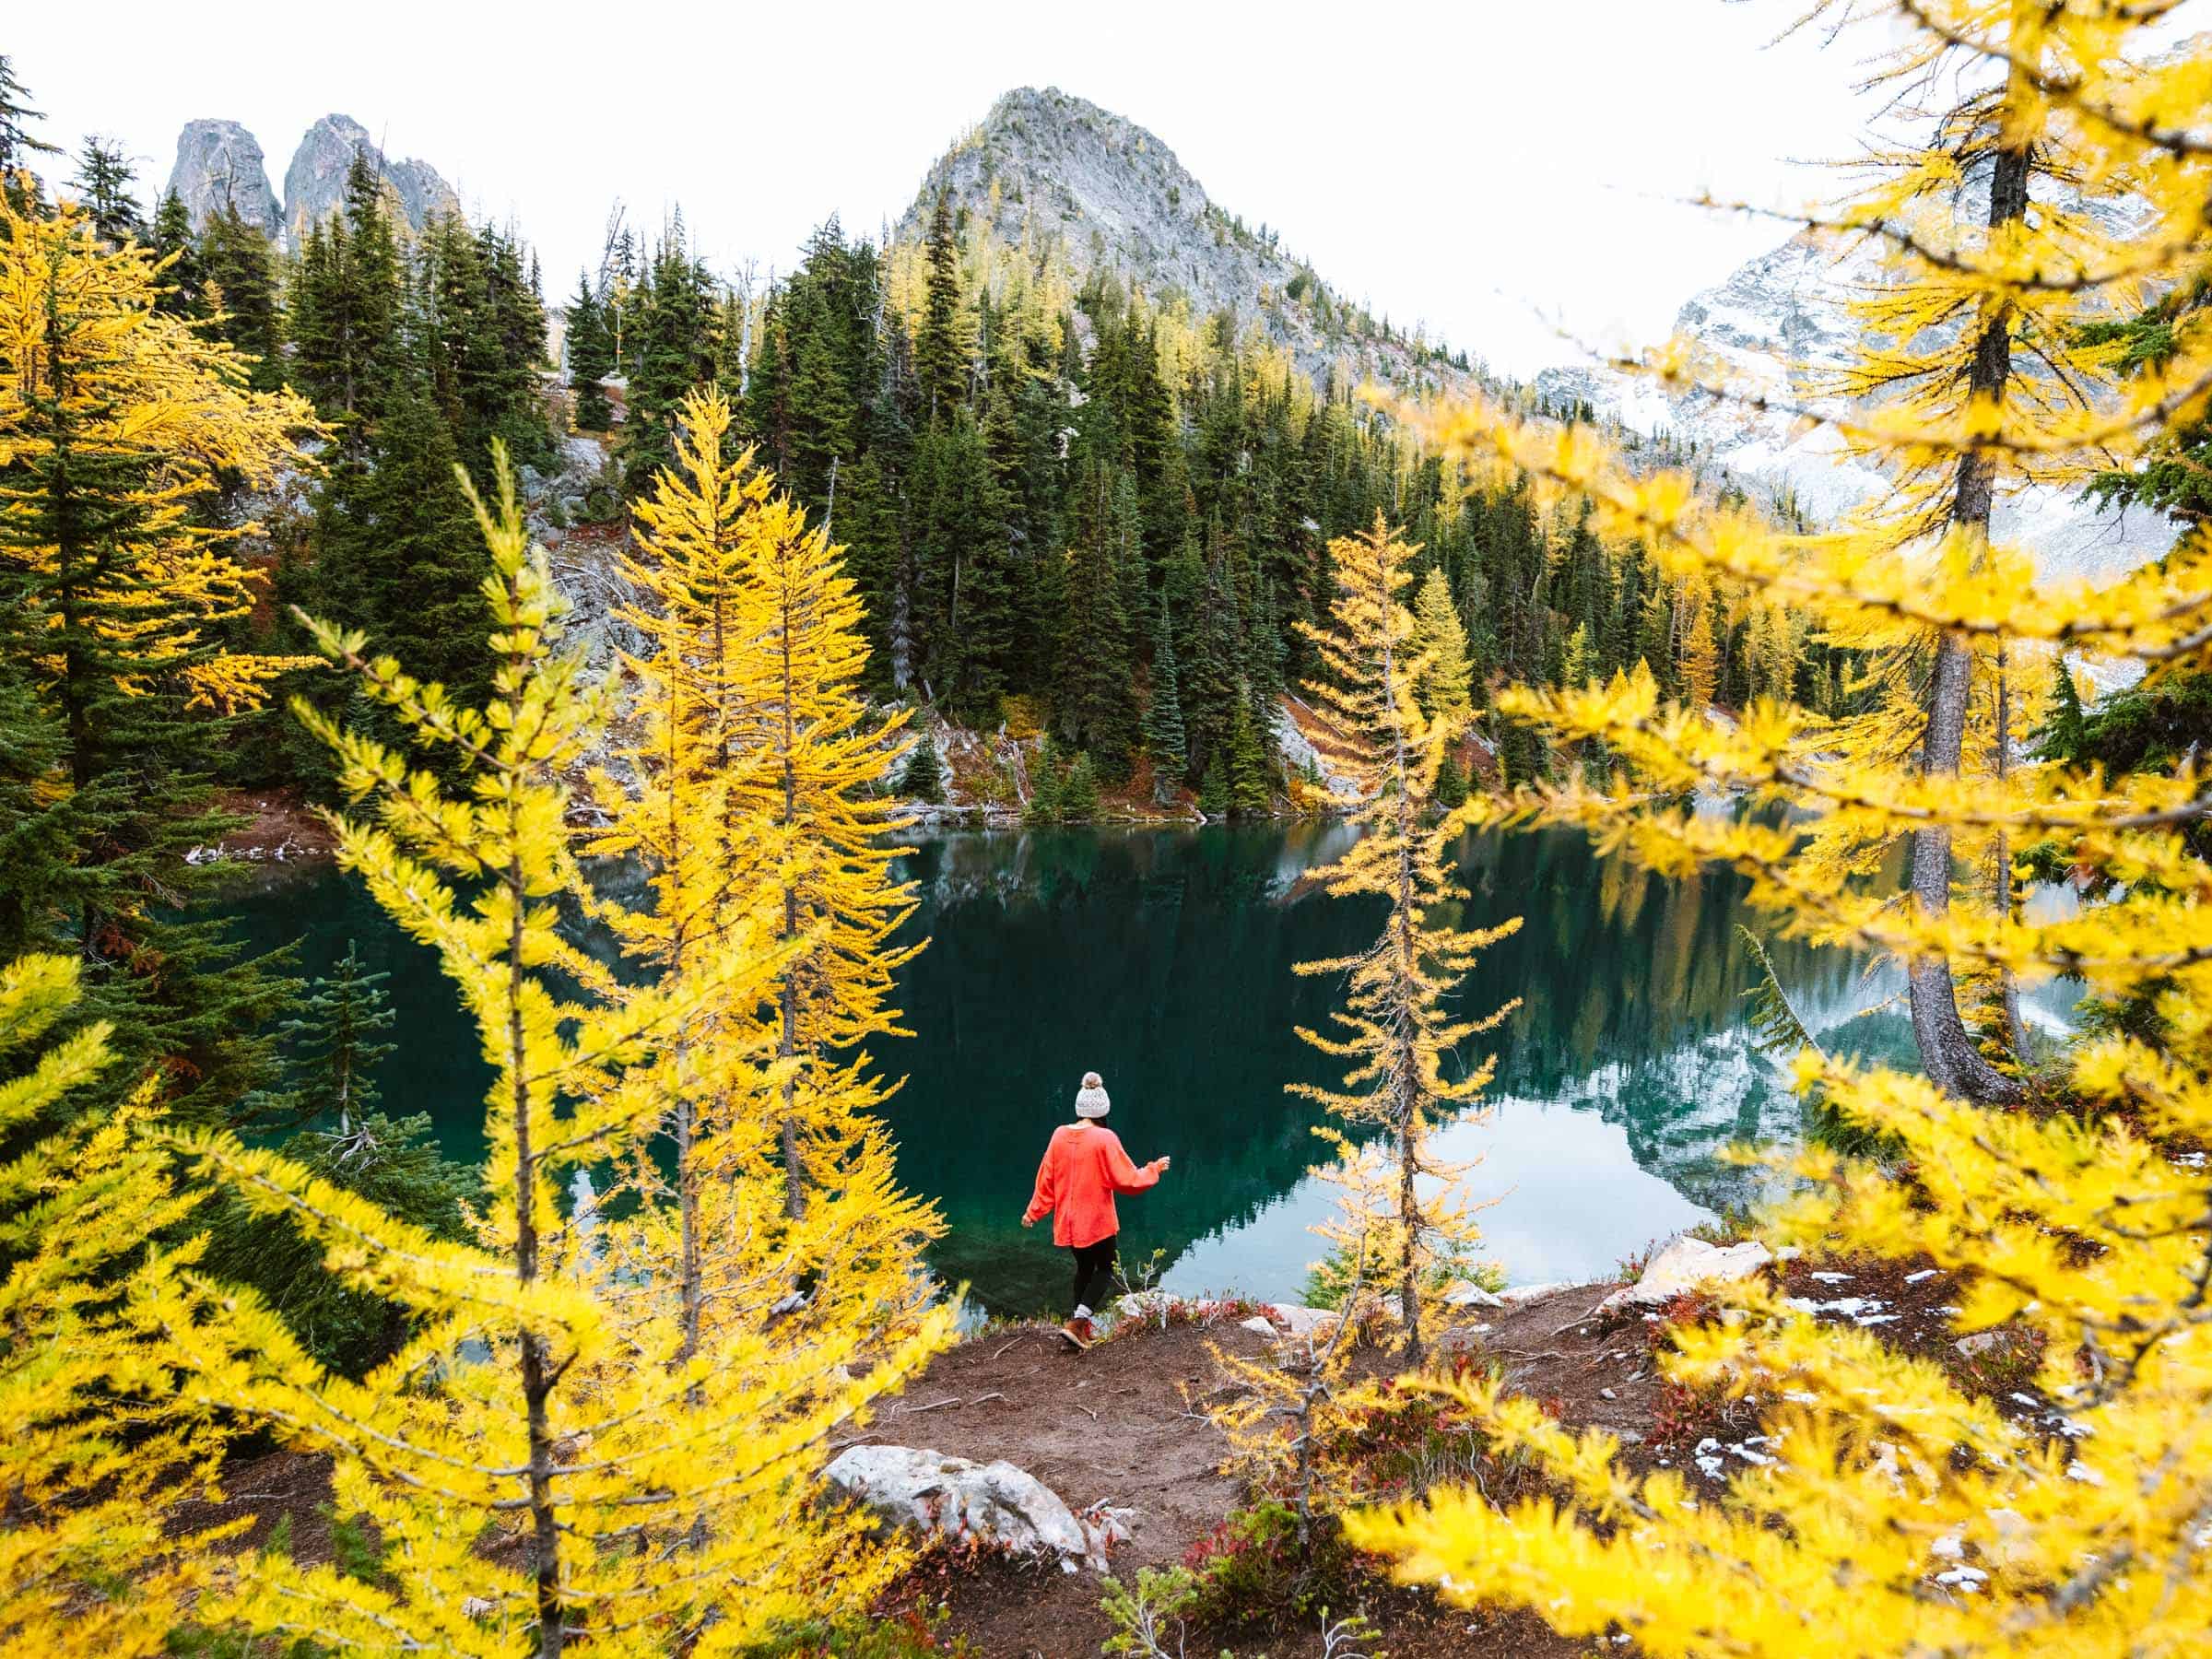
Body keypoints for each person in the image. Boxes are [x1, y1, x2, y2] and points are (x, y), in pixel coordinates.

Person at [1021, 1071, 1171, 1349]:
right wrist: (1153, 1169)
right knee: (1105, 1269)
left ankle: (1078, 1332)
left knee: (1084, 1270)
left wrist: (1034, 1212)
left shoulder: (1059, 1135)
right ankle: (1077, 1324)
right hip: (1096, 1222)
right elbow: (1128, 1180)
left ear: (1080, 1108)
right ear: (1104, 1110)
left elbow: (1046, 1179)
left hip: (1068, 1222)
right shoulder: (1105, 1138)